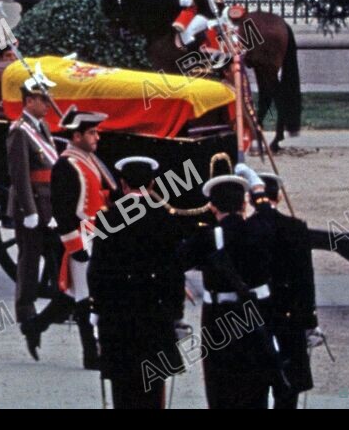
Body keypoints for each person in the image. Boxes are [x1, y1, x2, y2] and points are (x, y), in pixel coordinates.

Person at [88, 157, 192, 409]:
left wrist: (97, 312)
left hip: (117, 317)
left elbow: (97, 272)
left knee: (122, 388)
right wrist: (176, 314)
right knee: (153, 390)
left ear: (123, 184)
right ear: (153, 183)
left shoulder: (108, 219)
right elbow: (174, 273)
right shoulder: (166, 219)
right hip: (154, 315)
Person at [178, 170, 282, 410]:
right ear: (243, 203)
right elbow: (270, 217)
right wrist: (258, 191)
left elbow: (174, 264)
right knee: (256, 387)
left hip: (218, 317)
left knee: (220, 386)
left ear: (213, 207)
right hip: (257, 313)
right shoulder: (262, 229)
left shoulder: (207, 238)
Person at [238, 165, 318, 409]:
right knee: (288, 391)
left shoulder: (244, 229)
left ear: (250, 200)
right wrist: (310, 321)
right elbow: (305, 278)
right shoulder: (296, 228)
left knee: (255, 390)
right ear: (279, 197)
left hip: (256, 318)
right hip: (290, 317)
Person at [48, 107, 113, 371]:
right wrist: (75, 246)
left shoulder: (87, 159)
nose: (97, 137)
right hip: (82, 239)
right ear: (76, 136)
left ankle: (37, 326)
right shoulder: (65, 165)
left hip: (97, 235)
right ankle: (90, 354)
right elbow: (63, 210)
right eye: (91, 133)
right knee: (84, 299)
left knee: (92, 297)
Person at [6, 75, 61, 334]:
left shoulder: (43, 127)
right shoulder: (19, 131)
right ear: (29, 101)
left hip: (47, 204)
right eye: (43, 99)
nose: (48, 104)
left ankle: (58, 306)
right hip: (31, 205)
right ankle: (25, 309)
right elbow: (20, 174)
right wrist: (29, 210)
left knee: (55, 255)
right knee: (29, 260)